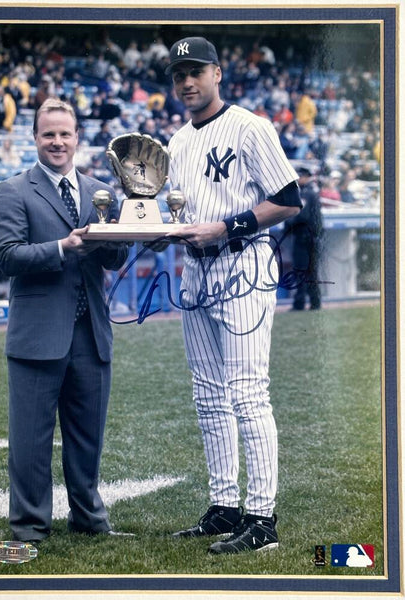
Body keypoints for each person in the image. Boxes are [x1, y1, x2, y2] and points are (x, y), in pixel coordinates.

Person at [161, 37, 301, 554]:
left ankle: (262, 518)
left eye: (196, 71)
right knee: (208, 394)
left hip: (243, 262)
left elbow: (289, 200)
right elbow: (181, 213)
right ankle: (225, 508)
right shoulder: (175, 143)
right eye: (179, 75)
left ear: (218, 73)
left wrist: (224, 226)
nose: (187, 82)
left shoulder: (249, 126)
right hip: (194, 271)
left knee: (246, 392)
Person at [0, 98, 130, 544]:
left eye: (64, 134)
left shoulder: (98, 191)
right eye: (48, 134)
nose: (57, 141)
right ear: (35, 138)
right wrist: (62, 248)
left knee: (87, 436)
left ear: (77, 138)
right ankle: (29, 525)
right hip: (38, 334)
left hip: (91, 333)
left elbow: (118, 255)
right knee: (30, 440)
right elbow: (7, 257)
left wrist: (114, 237)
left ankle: (89, 519)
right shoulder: (13, 190)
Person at [284, 167, 323, 311]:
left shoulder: (305, 193)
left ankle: (300, 303)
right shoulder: (312, 192)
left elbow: (301, 215)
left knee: (302, 271)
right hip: (312, 238)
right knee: (311, 271)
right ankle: (315, 303)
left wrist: (287, 223)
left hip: (304, 238)